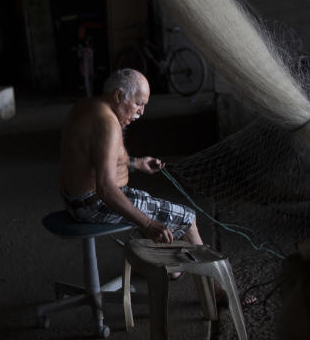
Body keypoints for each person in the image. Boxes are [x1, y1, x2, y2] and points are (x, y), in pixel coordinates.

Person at [60, 68, 203, 248]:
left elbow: (95, 158)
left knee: (148, 203)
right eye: (138, 104)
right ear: (118, 96)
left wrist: (136, 163)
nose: (141, 112)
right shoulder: (108, 123)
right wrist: (149, 224)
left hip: (74, 202)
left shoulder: (87, 106)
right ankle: (212, 276)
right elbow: (106, 189)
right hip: (93, 206)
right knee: (188, 219)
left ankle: (170, 271)